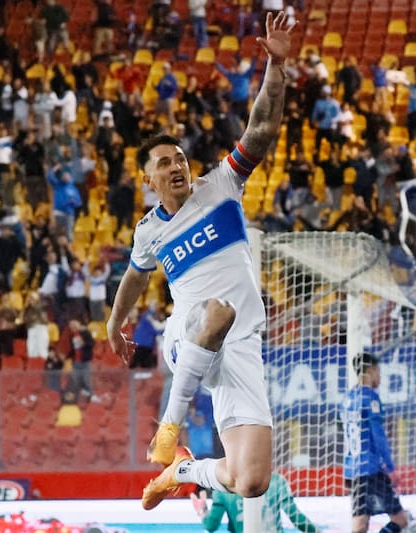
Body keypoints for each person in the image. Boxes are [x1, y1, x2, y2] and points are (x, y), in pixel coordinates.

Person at [106, 11, 296, 511]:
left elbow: (261, 127)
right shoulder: (148, 230)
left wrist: (274, 68)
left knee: (252, 480)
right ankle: (167, 429)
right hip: (187, 334)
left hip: (241, 346)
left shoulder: (220, 186)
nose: (177, 166)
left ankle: (184, 468)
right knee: (218, 309)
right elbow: (134, 276)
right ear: (149, 180)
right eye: (163, 163)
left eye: (180, 158)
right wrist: (114, 320)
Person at [341, 353, 408, 533]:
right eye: (379, 372)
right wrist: (390, 468)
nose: (380, 377)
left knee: (360, 524)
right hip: (370, 468)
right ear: (370, 371)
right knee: (400, 519)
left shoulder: (347, 400)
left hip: (352, 469)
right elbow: (378, 437)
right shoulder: (370, 398)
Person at [193, 471, 319, 532]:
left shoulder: (223, 487)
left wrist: (202, 511)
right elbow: (296, 517)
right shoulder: (276, 480)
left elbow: (211, 526)